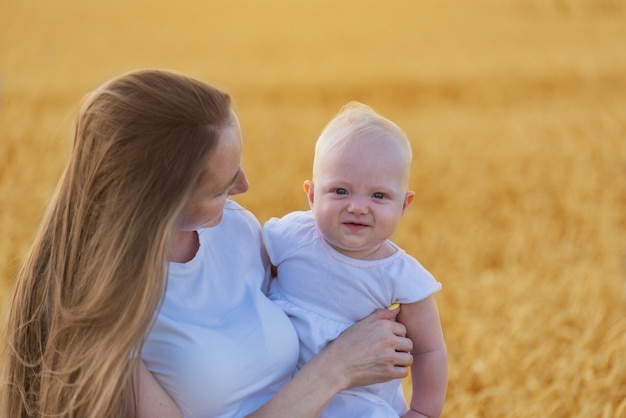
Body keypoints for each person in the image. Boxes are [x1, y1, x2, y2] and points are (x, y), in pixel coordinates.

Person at [0, 69, 415, 418]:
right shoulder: (94, 314)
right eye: (221, 187)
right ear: (158, 201)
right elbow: (332, 365)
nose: (244, 187)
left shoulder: (235, 230)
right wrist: (336, 369)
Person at [264, 102, 448, 418]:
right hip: (285, 400)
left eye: (378, 196)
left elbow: (429, 350)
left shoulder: (401, 275)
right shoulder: (291, 237)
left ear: (404, 206)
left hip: (362, 408)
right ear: (311, 196)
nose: (358, 207)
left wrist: (423, 411)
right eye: (340, 191)